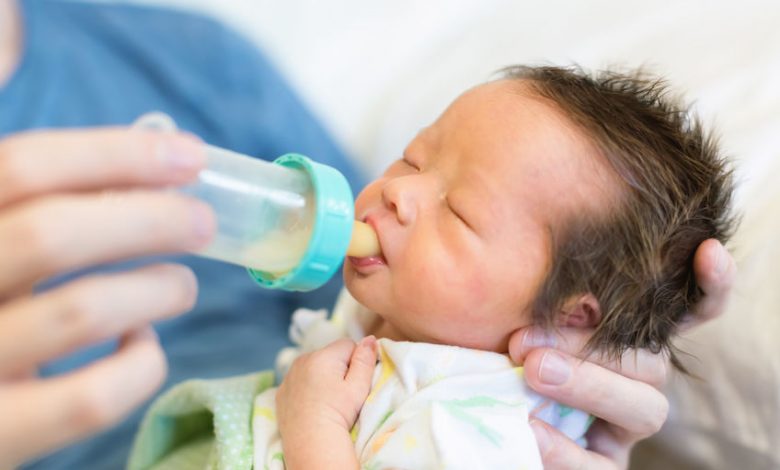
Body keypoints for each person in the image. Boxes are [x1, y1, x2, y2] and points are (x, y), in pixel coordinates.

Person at [0, 1, 736, 469]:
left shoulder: (467, 420)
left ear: (571, 316)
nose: (396, 191)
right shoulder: (400, 323)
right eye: (411, 158)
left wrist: (315, 425)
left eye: (460, 212)